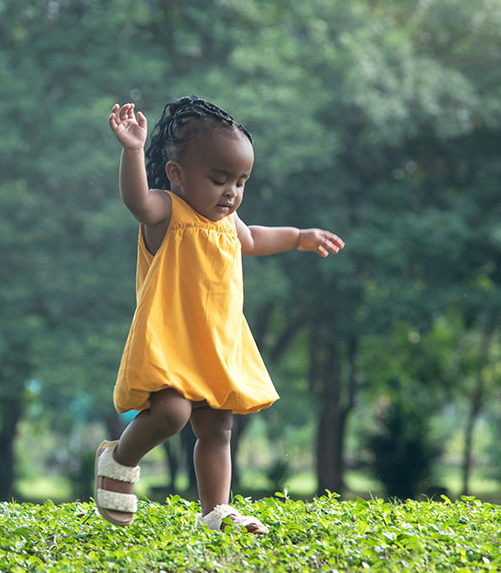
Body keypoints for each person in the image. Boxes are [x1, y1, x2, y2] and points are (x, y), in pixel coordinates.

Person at [94, 96, 344, 534]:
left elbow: (256, 239)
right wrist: (132, 150)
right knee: (172, 414)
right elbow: (137, 202)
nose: (231, 192)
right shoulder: (167, 212)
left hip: (217, 341)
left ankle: (215, 511)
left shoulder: (228, 222)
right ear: (177, 174)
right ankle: (118, 460)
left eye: (241, 182)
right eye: (219, 179)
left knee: (217, 428)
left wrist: (299, 237)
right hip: (171, 340)